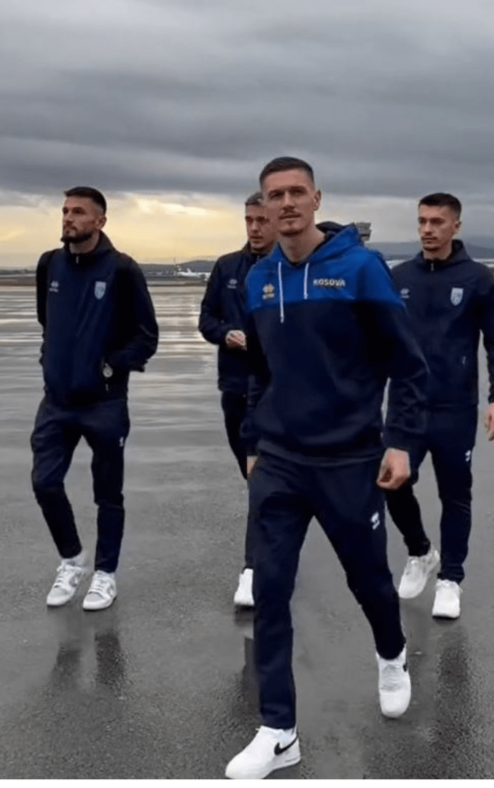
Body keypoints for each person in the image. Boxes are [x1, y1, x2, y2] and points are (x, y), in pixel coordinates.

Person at [224, 156, 430, 780]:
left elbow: (408, 365)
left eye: (296, 192)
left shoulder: (360, 269)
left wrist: (400, 442)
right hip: (281, 462)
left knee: (369, 582)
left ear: (316, 199)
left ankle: (391, 654)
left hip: (349, 458)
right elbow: (259, 370)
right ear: (263, 206)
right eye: (274, 195)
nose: (286, 203)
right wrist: (254, 440)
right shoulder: (259, 278)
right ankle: (278, 731)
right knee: (270, 590)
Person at [385, 192, 494, 620]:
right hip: (405, 406)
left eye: (437, 221)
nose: (427, 229)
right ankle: (421, 551)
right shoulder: (399, 277)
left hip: (454, 408)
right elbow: (378, 341)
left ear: (455, 226)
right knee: (390, 483)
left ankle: (450, 579)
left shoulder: (478, 279)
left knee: (455, 495)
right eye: (422, 221)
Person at [32, 186, 159, 612]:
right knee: (45, 482)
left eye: (78, 212)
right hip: (57, 402)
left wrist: (108, 366)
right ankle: (72, 559)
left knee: (108, 493)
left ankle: (105, 573)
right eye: (65, 210)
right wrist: (52, 359)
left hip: (104, 403)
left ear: (100, 221)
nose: (68, 218)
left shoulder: (122, 269)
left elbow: (146, 336)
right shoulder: (49, 264)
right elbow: (47, 320)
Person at [198, 190, 276, 608]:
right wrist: (225, 333)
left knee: (262, 477)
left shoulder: (289, 267)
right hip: (234, 386)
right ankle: (272, 547)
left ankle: (254, 567)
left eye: (262, 220)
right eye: (249, 220)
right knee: (253, 480)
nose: (255, 228)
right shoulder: (227, 266)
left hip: (276, 391)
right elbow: (205, 318)